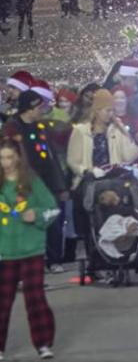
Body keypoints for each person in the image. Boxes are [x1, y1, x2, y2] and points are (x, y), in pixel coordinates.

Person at [0, 141, 58, 360]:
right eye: (1, 158)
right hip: (4, 252)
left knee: (34, 298)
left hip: (32, 250)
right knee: (2, 301)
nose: (5, 163)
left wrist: (37, 214)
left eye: (9, 157)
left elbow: (52, 208)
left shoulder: (33, 182)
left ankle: (43, 344)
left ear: (18, 158)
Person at [2, 91, 70, 273]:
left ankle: (54, 259)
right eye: (39, 107)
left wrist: (60, 184)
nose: (43, 110)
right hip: (24, 182)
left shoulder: (41, 126)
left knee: (52, 218)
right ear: (29, 108)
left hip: (47, 182)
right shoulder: (12, 128)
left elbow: (52, 156)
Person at [65, 89, 138, 189]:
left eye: (112, 110)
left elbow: (127, 157)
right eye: (107, 110)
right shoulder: (81, 131)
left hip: (114, 182)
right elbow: (73, 161)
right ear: (97, 110)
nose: (111, 114)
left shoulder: (116, 130)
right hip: (88, 184)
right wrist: (88, 172)